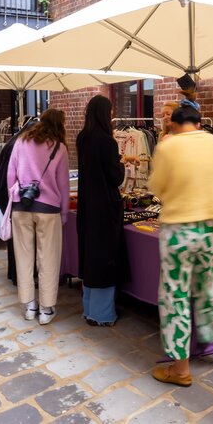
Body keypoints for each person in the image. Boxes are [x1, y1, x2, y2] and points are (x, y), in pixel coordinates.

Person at [146, 97, 213, 386]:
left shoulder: (168, 145)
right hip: (210, 226)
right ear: (198, 122)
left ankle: (181, 369)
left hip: (178, 230)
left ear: (174, 124)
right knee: (210, 285)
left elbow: (157, 187)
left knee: (175, 297)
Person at [5, 109, 70, 325]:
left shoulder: (21, 141)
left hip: (21, 205)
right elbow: (63, 184)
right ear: (59, 125)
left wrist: (14, 195)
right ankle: (46, 308)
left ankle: (29, 305)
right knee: (48, 258)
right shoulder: (59, 148)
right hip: (49, 209)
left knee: (23, 257)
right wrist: (64, 212)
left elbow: (10, 174)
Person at [76, 95, 132, 326]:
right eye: (110, 111)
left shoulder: (83, 137)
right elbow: (115, 177)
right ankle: (102, 314)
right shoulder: (107, 141)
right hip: (105, 208)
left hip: (87, 205)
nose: (112, 115)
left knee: (90, 256)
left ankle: (89, 308)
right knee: (105, 259)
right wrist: (121, 164)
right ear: (103, 113)